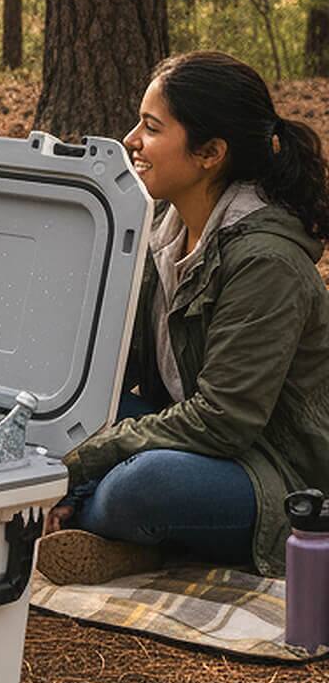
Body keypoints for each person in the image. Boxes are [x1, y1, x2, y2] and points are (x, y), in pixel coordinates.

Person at [37, 51, 329, 585]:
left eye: (152, 128)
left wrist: (79, 465)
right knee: (60, 409)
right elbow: (116, 371)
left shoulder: (266, 263)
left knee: (142, 487)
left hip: (272, 472)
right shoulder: (163, 232)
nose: (131, 140)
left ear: (210, 153)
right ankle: (113, 532)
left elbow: (224, 421)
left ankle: (104, 527)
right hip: (190, 435)